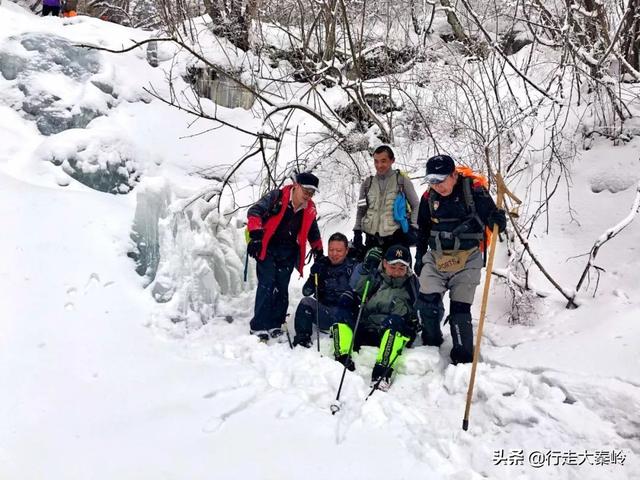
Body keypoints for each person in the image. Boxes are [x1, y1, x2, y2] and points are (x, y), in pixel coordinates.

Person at [415, 155, 506, 365]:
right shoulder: (428, 197)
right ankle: (431, 343)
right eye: (432, 180)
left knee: (460, 311)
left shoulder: (473, 192)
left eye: (441, 179)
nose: (437, 186)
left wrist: (498, 221)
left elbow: (493, 221)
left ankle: (463, 359)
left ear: (454, 175)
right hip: (437, 256)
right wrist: (419, 257)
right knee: (426, 303)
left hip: (467, 258)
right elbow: (423, 231)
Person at [246, 172, 324, 342]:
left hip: (288, 251)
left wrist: (318, 249)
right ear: (296, 186)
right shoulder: (277, 197)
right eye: (306, 191)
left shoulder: (309, 208)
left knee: (282, 287)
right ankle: (259, 325)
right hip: (268, 247)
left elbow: (313, 230)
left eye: (311, 193)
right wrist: (256, 235)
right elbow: (254, 211)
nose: (308, 196)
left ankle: (275, 323)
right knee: (267, 284)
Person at [331, 244, 419, 391]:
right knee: (343, 312)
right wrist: (366, 268)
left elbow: (422, 306)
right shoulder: (376, 278)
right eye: (393, 267)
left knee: (394, 321)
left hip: (394, 331)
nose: (397, 272)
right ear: (384, 264)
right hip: (368, 326)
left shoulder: (412, 283)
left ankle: (382, 373)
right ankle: (342, 360)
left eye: (401, 268)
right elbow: (357, 290)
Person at [352, 145, 420, 259]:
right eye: (376, 161)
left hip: (396, 238)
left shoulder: (402, 181)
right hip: (371, 240)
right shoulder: (367, 183)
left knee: (398, 274)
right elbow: (361, 210)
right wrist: (357, 232)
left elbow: (416, 205)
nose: (379, 165)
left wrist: (413, 227)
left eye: (383, 161)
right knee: (370, 275)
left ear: (392, 160)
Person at [292, 232, 357, 348]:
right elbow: (306, 292)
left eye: (339, 250)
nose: (334, 254)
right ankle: (302, 339)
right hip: (325, 313)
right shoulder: (322, 265)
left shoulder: (354, 267)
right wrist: (313, 275)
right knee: (305, 302)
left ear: (346, 251)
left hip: (346, 316)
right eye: (331, 250)